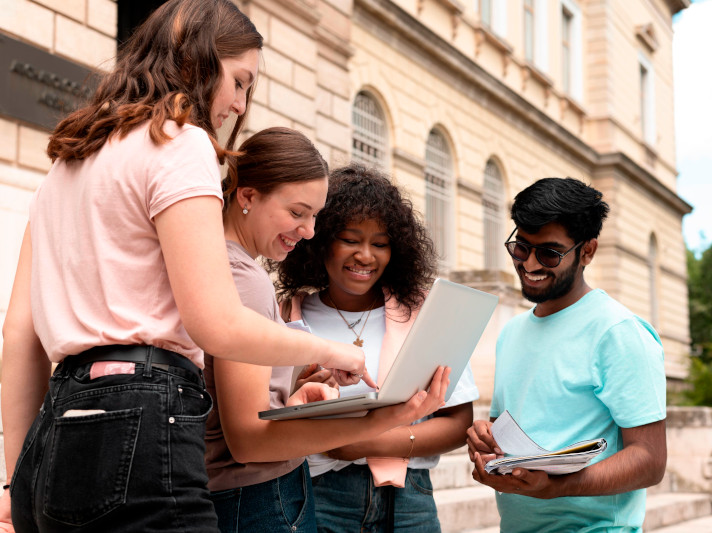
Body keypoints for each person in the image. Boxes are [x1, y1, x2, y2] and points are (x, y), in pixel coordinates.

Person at [0, 1, 372, 531]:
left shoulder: (65, 165)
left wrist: (17, 482)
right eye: (240, 82)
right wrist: (336, 352)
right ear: (198, 60)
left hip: (58, 425)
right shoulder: (179, 142)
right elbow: (215, 323)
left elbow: (19, 337)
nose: (240, 106)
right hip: (145, 412)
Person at [204, 128, 450, 533]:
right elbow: (248, 440)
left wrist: (293, 400)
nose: (309, 231)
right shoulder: (246, 280)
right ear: (247, 196)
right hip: (256, 498)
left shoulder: (224, 267)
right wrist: (380, 422)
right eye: (298, 213)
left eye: (315, 216)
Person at [277, 162, 479, 533]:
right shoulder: (289, 316)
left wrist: (366, 441)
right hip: (317, 496)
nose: (366, 256)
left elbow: (458, 422)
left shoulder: (423, 313)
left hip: (410, 501)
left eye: (380, 244)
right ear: (320, 241)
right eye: (350, 240)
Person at [466, 177, 667, 532]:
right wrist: (486, 439)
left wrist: (556, 487)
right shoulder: (511, 331)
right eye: (520, 248)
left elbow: (650, 460)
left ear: (587, 251)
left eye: (549, 253)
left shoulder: (617, 331)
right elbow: (506, 432)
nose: (528, 264)